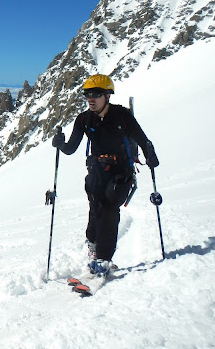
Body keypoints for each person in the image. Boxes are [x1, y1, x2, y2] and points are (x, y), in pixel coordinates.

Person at [52, 74, 159, 276]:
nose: (90, 99)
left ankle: (103, 258)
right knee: (95, 207)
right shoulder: (83, 119)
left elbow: (142, 139)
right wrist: (60, 144)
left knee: (109, 208)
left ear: (107, 96)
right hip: (96, 172)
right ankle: (93, 243)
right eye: (87, 95)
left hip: (121, 172)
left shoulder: (122, 116)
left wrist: (150, 155)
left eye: (96, 94)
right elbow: (71, 148)